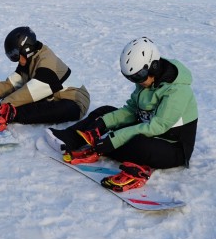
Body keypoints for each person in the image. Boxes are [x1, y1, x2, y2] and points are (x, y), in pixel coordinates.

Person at [45, 37, 198, 188]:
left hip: (171, 147)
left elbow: (157, 127)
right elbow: (132, 110)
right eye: (131, 78)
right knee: (104, 112)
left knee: (136, 144)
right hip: (146, 130)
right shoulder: (147, 81)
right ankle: (71, 138)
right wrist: (103, 122)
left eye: (138, 76)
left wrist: (115, 138)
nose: (137, 82)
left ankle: (104, 147)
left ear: (154, 67)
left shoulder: (177, 91)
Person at [0, 26, 91, 132]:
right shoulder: (29, 58)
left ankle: (7, 114)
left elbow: (32, 90)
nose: (16, 59)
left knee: (29, 110)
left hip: (74, 102)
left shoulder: (47, 62)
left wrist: (4, 106)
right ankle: (5, 112)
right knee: (20, 102)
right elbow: (12, 83)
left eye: (16, 55)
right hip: (53, 95)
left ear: (27, 49)